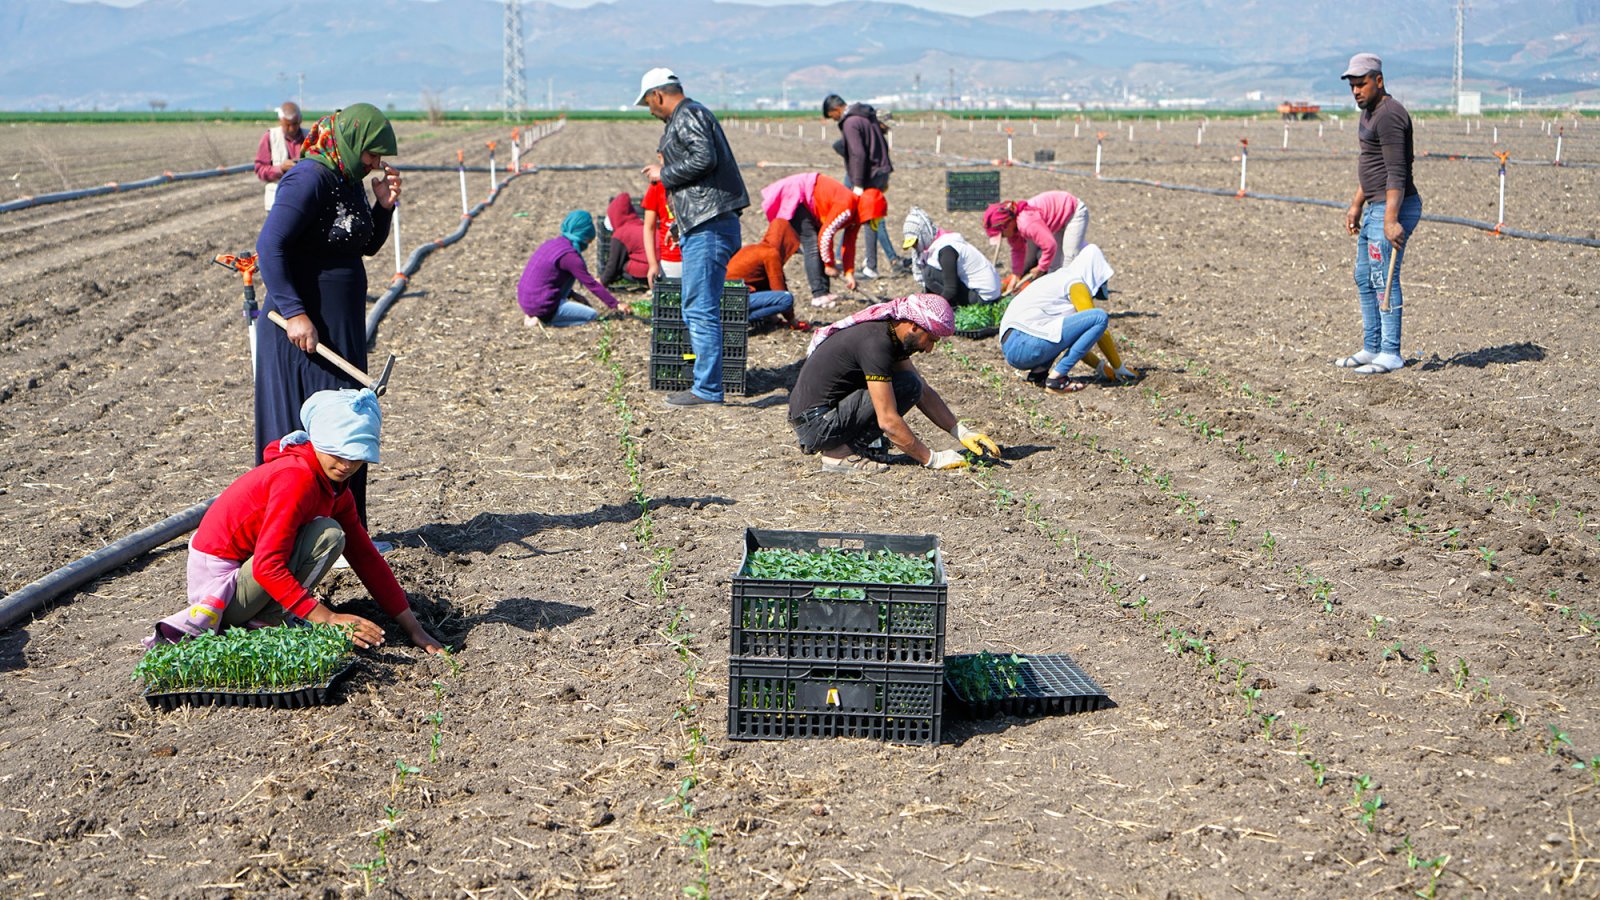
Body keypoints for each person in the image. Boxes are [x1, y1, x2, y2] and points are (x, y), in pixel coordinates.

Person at [143, 389, 445, 655]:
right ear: (317, 440)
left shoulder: (334, 486)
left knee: (330, 534)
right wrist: (327, 618)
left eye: (356, 456)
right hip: (221, 590)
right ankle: (266, 620)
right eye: (337, 452)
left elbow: (366, 557)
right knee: (327, 535)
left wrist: (414, 629)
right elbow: (267, 566)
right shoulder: (297, 479)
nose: (346, 465)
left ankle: (271, 614)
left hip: (249, 573)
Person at [255, 102, 399, 526]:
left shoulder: (347, 178)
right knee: (315, 435)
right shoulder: (310, 178)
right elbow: (270, 245)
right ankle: (298, 533)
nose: (376, 163)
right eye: (372, 152)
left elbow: (362, 246)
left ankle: (345, 532)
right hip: (304, 332)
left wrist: (383, 207)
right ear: (352, 142)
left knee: (346, 424)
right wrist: (295, 312)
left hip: (340, 328)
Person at [789, 294, 1001, 474]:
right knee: (906, 386)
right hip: (817, 425)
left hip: (816, 420)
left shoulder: (890, 334)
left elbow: (923, 391)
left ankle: (852, 445)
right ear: (914, 326)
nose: (929, 349)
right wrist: (931, 459)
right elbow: (888, 421)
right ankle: (838, 454)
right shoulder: (876, 344)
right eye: (930, 340)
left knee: (911, 384)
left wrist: (960, 431)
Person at [638, 67, 750, 407]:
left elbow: (704, 157)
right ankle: (706, 383)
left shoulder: (688, 114)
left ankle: (707, 389)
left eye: (648, 103)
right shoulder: (690, 115)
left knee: (701, 309)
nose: (650, 111)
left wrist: (664, 173)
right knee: (697, 307)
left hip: (709, 226)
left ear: (658, 95)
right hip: (703, 224)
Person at [1336, 52, 1420, 376]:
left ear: (1379, 81)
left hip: (1392, 206)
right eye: (1352, 86)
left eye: (1361, 84)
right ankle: (1372, 346)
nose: (1356, 91)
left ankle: (1390, 352)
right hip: (1375, 205)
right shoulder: (1369, 113)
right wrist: (1357, 204)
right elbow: (1372, 166)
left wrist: (1390, 219)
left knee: (1384, 277)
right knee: (1364, 276)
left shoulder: (1389, 115)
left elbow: (1396, 172)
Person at [998, 244, 1135, 393]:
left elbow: (1076, 340)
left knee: (1055, 330)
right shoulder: (1075, 284)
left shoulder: (1057, 278)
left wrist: (1101, 367)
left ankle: (1038, 375)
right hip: (1025, 343)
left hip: (1012, 346)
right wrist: (1118, 367)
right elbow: (1099, 328)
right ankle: (1056, 379)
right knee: (1099, 317)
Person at [760, 171, 887, 308]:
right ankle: (819, 294)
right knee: (812, 244)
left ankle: (825, 291)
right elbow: (825, 235)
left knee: (817, 243)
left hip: (809, 202)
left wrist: (849, 272)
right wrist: (829, 264)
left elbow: (849, 244)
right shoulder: (847, 207)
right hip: (798, 195)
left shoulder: (856, 215)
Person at [823, 93, 902, 278]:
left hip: (868, 175)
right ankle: (860, 261)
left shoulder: (850, 122)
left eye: (832, 116)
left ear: (836, 109)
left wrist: (857, 183)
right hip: (879, 171)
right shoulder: (865, 116)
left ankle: (870, 267)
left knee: (867, 217)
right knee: (870, 217)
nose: (834, 120)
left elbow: (858, 153)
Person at [517, 210, 620, 326]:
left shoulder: (553, 244)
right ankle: (545, 320)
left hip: (526, 301)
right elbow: (592, 284)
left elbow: (549, 279)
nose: (588, 244)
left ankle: (535, 314)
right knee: (592, 315)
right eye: (588, 240)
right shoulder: (570, 256)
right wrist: (616, 304)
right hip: (542, 305)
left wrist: (574, 295)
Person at [982, 190, 1090, 289]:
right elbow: (1018, 250)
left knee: (1069, 259)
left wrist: (1041, 268)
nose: (1003, 238)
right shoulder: (1012, 230)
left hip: (1073, 211)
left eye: (1002, 235)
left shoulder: (1026, 223)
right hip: (1057, 221)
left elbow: (1050, 245)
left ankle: (1071, 289)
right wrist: (1016, 274)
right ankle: (1055, 290)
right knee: (1054, 265)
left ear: (1008, 225)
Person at [901, 206, 1001, 308]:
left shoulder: (946, 250)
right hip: (988, 295)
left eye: (915, 242)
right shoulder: (942, 244)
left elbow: (951, 290)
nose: (915, 247)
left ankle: (952, 307)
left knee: (929, 273)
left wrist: (933, 307)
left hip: (984, 299)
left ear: (924, 234)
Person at [725, 218, 803, 329]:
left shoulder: (752, 249)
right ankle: (737, 320)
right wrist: (792, 320)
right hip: (734, 299)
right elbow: (778, 288)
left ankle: (767, 319)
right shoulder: (771, 254)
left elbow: (764, 286)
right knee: (786, 299)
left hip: (723, 296)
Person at [255, 102, 306, 211]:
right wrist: (280, 169)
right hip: (277, 202)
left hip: (306, 200)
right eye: (287, 125)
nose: (292, 128)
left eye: (295, 124)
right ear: (280, 121)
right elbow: (260, 169)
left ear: (300, 120)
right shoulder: (270, 137)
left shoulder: (310, 137)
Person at [599, 193, 649, 288]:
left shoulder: (621, 233)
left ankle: (647, 283)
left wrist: (602, 281)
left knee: (623, 267)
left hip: (649, 268)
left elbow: (613, 265)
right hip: (661, 264)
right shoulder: (639, 224)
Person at [640, 175, 682, 286]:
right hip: (671, 258)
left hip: (698, 255)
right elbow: (649, 227)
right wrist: (652, 264)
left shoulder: (696, 177)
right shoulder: (657, 185)